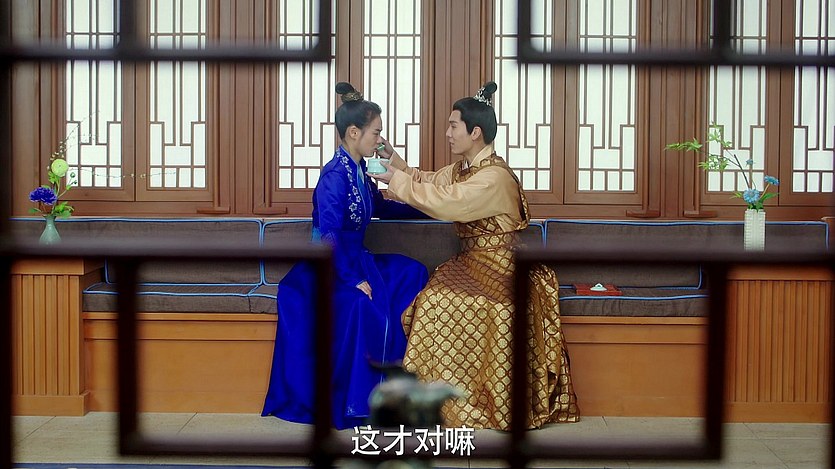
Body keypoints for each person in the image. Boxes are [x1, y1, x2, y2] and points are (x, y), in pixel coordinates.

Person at [368, 81, 579, 430]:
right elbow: (429, 181)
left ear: (475, 132)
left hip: (505, 263)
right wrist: (394, 161)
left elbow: (449, 202)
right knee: (433, 300)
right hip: (471, 262)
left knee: (501, 309)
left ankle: (494, 405)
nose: (448, 133)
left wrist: (395, 181)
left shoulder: (495, 177)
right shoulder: (463, 170)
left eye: (454, 126)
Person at [262, 82, 429, 430]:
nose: (380, 140)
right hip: (331, 266)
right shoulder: (334, 177)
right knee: (361, 305)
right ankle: (358, 400)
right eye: (376, 133)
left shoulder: (360, 171)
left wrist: (427, 207)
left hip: (358, 258)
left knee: (412, 272)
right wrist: (353, 278)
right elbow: (329, 235)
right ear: (354, 132)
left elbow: (381, 207)